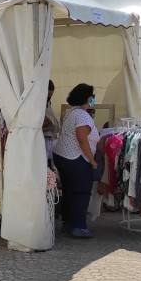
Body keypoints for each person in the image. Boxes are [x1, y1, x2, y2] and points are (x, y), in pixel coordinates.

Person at [52, 83, 99, 238]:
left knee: (69, 191)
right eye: (92, 96)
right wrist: (92, 160)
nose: (94, 99)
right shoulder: (82, 115)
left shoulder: (71, 112)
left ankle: (69, 223)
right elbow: (82, 138)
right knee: (81, 192)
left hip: (63, 156)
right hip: (75, 158)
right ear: (87, 98)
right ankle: (78, 226)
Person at [42, 80, 60, 164]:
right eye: (48, 95)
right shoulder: (36, 105)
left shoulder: (48, 103)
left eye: (51, 96)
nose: (49, 98)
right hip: (41, 140)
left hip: (49, 139)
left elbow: (55, 125)